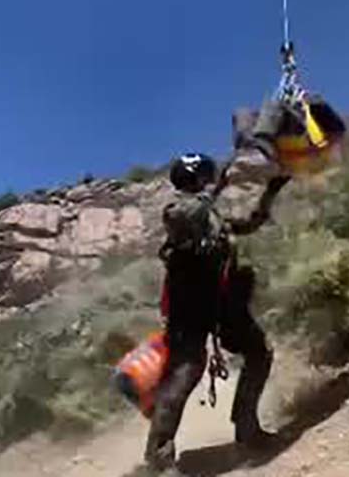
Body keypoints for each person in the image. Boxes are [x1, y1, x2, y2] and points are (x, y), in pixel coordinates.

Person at [143, 152, 291, 474]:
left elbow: (250, 222)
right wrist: (216, 189)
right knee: (184, 376)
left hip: (221, 305)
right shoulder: (178, 210)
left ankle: (247, 428)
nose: (210, 183)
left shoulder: (212, 216)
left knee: (258, 352)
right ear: (197, 179)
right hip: (189, 311)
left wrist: (272, 191)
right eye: (206, 178)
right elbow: (184, 215)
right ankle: (159, 459)